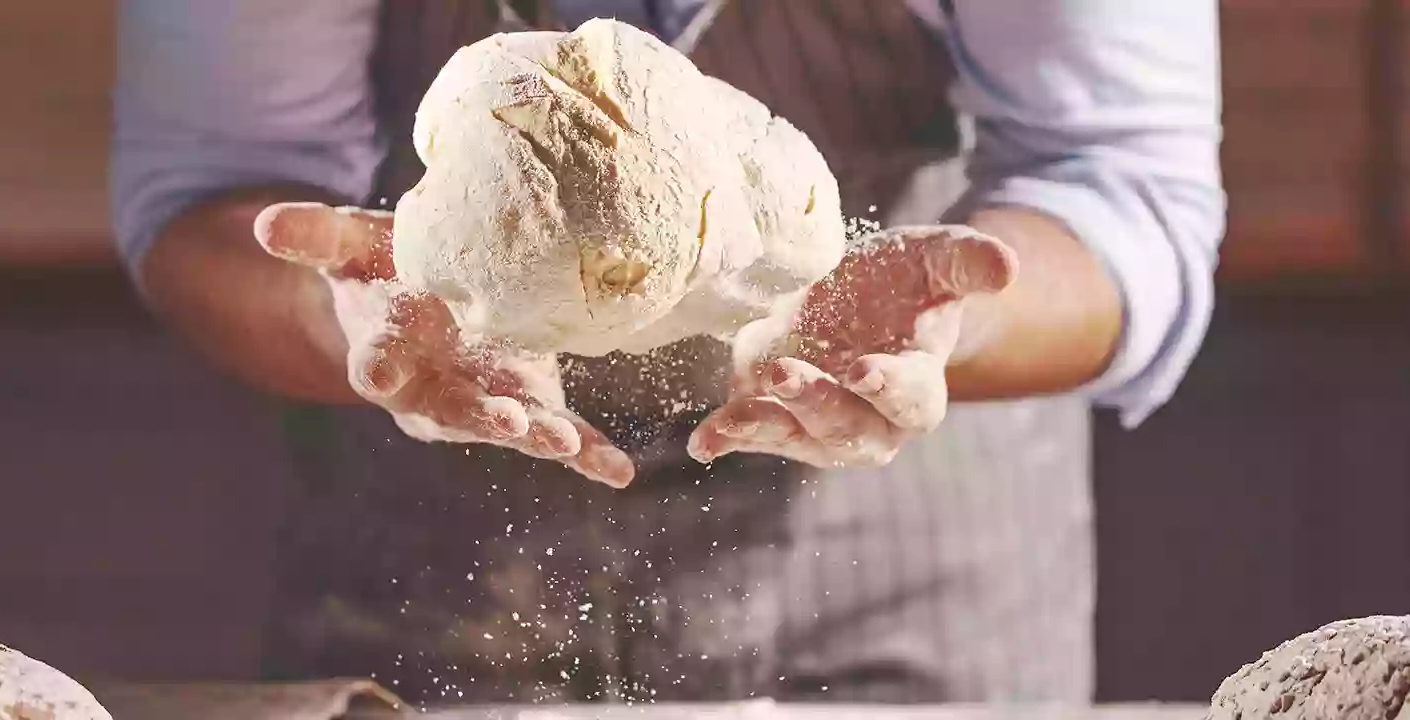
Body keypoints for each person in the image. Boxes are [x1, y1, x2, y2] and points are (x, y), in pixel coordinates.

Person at [111, 0, 1223, 707]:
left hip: (907, 627)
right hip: (434, 626)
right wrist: (342, 316)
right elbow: (213, 192)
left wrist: (951, 323)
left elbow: (1124, 190)